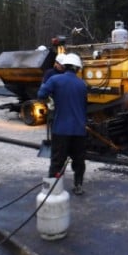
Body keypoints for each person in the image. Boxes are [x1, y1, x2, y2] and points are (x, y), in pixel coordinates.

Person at [38, 53, 88, 195]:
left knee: (57, 161)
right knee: (79, 161)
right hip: (79, 130)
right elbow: (84, 106)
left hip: (61, 129)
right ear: (78, 68)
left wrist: (51, 100)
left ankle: (53, 189)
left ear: (64, 66)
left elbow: (41, 94)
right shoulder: (82, 84)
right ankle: (78, 185)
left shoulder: (55, 79)